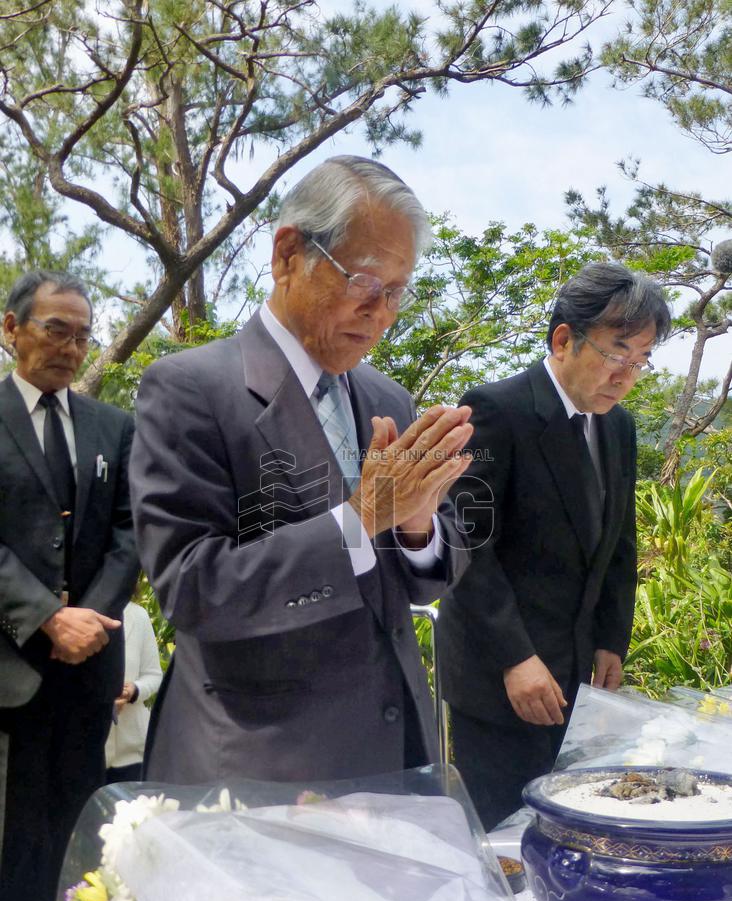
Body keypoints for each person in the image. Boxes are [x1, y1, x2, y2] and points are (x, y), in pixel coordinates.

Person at [130, 155, 472, 785]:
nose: (382, 312)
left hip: (391, 756)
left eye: (398, 291)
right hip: (262, 765)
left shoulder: (388, 399)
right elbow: (190, 588)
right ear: (288, 254)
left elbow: (420, 585)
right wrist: (364, 516)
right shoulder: (189, 389)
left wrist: (419, 526)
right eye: (365, 282)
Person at [436, 262, 672, 830]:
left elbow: (619, 538)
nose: (627, 375)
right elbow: (467, 543)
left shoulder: (617, 426)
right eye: (618, 353)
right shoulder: (497, 409)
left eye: (641, 360)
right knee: (507, 840)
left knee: (573, 827)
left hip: (576, 676)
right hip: (498, 680)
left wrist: (613, 637)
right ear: (563, 338)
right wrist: (516, 659)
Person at [0, 270, 139, 901]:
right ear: (11, 329)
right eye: (57, 329)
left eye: (83, 335)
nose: (72, 347)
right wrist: (45, 617)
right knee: (11, 830)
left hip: (89, 670)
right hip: (10, 664)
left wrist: (88, 618)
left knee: (77, 827)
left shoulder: (114, 427)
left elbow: (130, 532)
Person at [105, 593, 163, 783]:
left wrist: (133, 691)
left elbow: (154, 675)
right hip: (88, 748)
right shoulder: (77, 616)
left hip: (131, 749)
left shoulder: (138, 616)